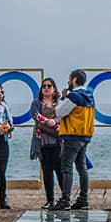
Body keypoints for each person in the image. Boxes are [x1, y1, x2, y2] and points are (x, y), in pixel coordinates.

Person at [53, 69, 95, 211]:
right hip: (85, 135)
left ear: (74, 80)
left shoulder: (74, 96)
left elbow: (59, 112)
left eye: (69, 79)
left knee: (67, 168)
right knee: (82, 168)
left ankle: (65, 200)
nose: (68, 82)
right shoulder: (90, 95)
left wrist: (64, 97)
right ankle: (83, 199)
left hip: (72, 135)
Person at [30, 77, 61, 209]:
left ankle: (65, 198)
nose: (46, 88)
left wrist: (54, 122)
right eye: (44, 86)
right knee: (47, 172)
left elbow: (62, 117)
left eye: (49, 86)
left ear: (54, 89)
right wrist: (49, 121)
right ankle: (50, 200)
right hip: (42, 142)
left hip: (58, 142)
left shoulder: (60, 104)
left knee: (60, 171)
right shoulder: (36, 103)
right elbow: (35, 115)